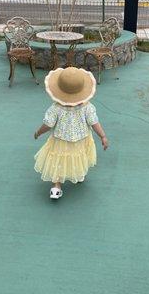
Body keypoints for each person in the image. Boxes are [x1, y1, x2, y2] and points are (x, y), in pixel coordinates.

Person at [34, 67, 108, 200]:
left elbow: (48, 124)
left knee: (57, 159)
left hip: (60, 140)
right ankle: (78, 175)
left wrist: (38, 132)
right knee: (79, 156)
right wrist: (102, 136)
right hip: (81, 139)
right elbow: (94, 123)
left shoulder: (55, 108)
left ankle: (56, 187)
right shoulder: (87, 107)